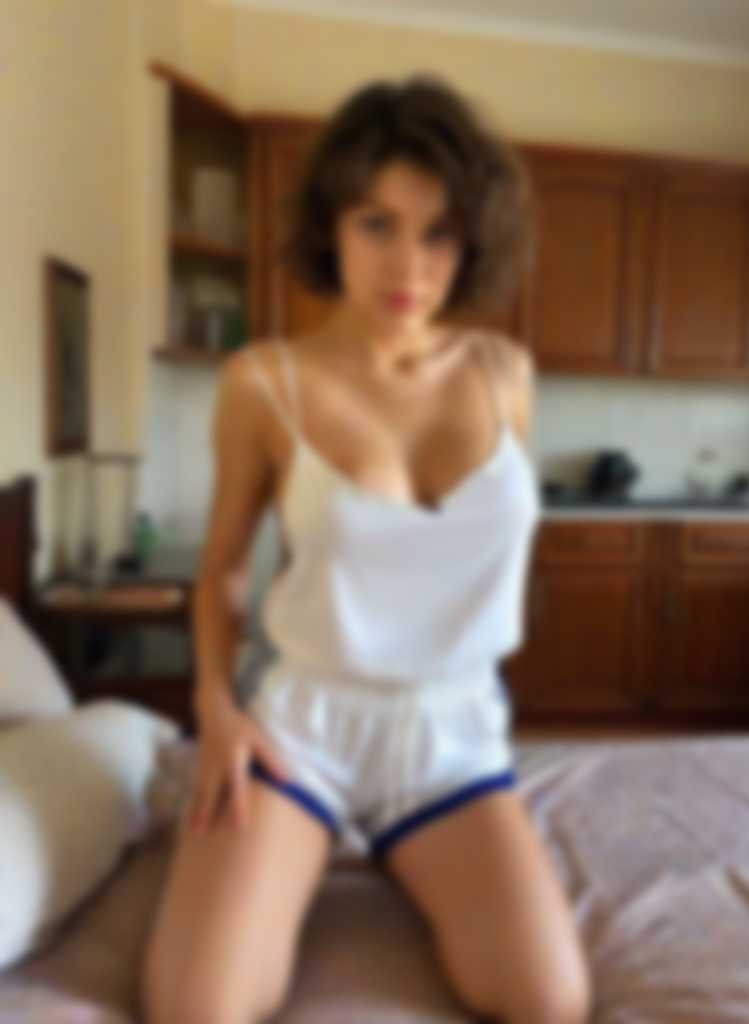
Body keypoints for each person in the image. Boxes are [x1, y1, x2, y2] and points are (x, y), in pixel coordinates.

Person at [141, 73, 592, 1024]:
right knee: (196, 1007)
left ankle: (405, 849)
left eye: (439, 233)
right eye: (377, 224)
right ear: (331, 225)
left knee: (550, 1000)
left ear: (473, 241)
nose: (408, 266)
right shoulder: (264, 382)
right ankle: (315, 839)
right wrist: (215, 709)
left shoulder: (506, 374)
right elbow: (223, 571)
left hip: (454, 735)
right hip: (303, 727)